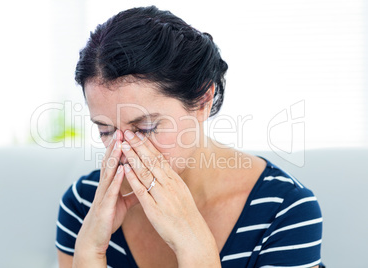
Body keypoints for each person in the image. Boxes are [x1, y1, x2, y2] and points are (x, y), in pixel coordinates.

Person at [55, 6, 324, 268]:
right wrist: (90, 251)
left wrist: (191, 243)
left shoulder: (284, 210)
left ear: (202, 101)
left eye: (146, 128)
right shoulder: (84, 205)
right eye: (106, 131)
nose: (124, 150)